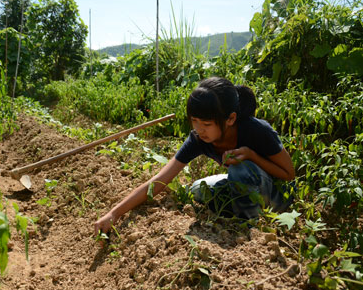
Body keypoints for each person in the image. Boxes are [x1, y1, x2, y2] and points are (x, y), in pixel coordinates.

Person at [94, 76, 295, 236]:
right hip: (247, 188)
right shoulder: (198, 139)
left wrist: (252, 156)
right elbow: (160, 180)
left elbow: (288, 174)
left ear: (230, 119)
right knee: (197, 190)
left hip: (276, 194)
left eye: (207, 124)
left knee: (240, 170)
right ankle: (238, 212)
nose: (199, 130)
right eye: (194, 121)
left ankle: (248, 229)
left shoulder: (256, 130)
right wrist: (114, 213)